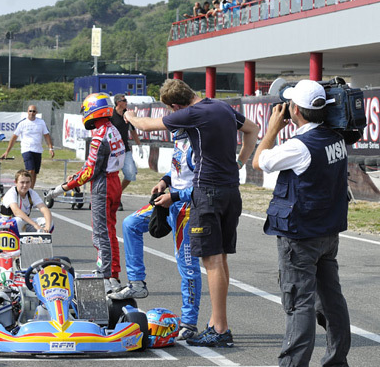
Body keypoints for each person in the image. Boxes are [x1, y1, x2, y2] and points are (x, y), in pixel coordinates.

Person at [124, 79, 258, 347]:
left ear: (175, 106)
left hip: (205, 193)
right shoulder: (221, 107)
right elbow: (253, 129)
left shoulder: (192, 113)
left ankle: (218, 329)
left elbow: (144, 126)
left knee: (210, 261)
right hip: (230, 190)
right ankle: (217, 324)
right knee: (220, 258)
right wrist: (240, 161)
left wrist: (129, 115)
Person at [252, 80, 351, 367]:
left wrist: (271, 127)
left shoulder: (298, 146)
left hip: (300, 236)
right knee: (332, 302)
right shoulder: (336, 139)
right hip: (327, 233)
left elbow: (258, 161)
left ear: (294, 109)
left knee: (299, 305)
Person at [110, 131, 201, 340]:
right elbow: (178, 172)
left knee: (187, 264)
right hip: (170, 201)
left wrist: (175, 195)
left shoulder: (199, 141)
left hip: (187, 208)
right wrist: (164, 181)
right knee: (131, 223)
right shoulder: (180, 137)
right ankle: (137, 284)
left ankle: (189, 322)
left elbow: (202, 185)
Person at [48, 93, 125, 293]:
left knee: (101, 233)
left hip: (104, 184)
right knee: (110, 231)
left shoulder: (99, 135)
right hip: (114, 180)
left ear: (93, 110)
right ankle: (113, 273)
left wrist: (64, 187)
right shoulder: (112, 129)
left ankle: (105, 274)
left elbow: (90, 172)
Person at [1, 105, 54, 189]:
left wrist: (50, 148)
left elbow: (46, 135)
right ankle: (27, 189)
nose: (32, 113)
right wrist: (7, 151)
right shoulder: (23, 123)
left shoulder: (41, 122)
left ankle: (31, 190)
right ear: (27, 112)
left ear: (36, 113)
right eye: (30, 111)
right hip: (27, 149)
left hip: (37, 150)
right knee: (31, 170)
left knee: (35, 172)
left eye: (33, 111)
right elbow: (14, 137)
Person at [111, 94, 143, 195]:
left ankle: (116, 194)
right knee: (110, 175)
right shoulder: (110, 115)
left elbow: (133, 131)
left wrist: (139, 145)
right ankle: (110, 196)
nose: (126, 102)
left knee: (131, 173)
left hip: (125, 149)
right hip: (112, 150)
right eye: (124, 100)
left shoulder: (128, 115)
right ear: (118, 102)